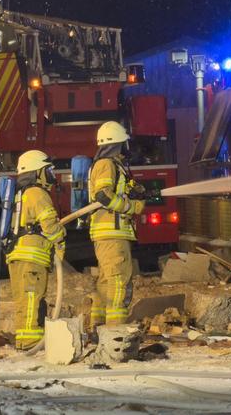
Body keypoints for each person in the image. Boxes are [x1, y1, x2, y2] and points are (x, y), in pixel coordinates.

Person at [6, 150, 66, 350]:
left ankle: (24, 341)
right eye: (47, 169)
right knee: (32, 298)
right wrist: (61, 239)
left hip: (17, 255)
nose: (51, 173)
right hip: (32, 257)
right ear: (36, 172)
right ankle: (31, 342)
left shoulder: (21, 193)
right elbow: (50, 225)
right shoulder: (37, 193)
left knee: (24, 300)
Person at [88, 121, 146, 328]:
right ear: (117, 143)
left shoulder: (111, 165)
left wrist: (134, 191)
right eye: (124, 143)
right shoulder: (106, 164)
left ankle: (98, 327)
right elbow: (103, 195)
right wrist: (131, 206)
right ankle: (115, 329)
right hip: (112, 233)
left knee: (106, 281)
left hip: (109, 234)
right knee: (118, 281)